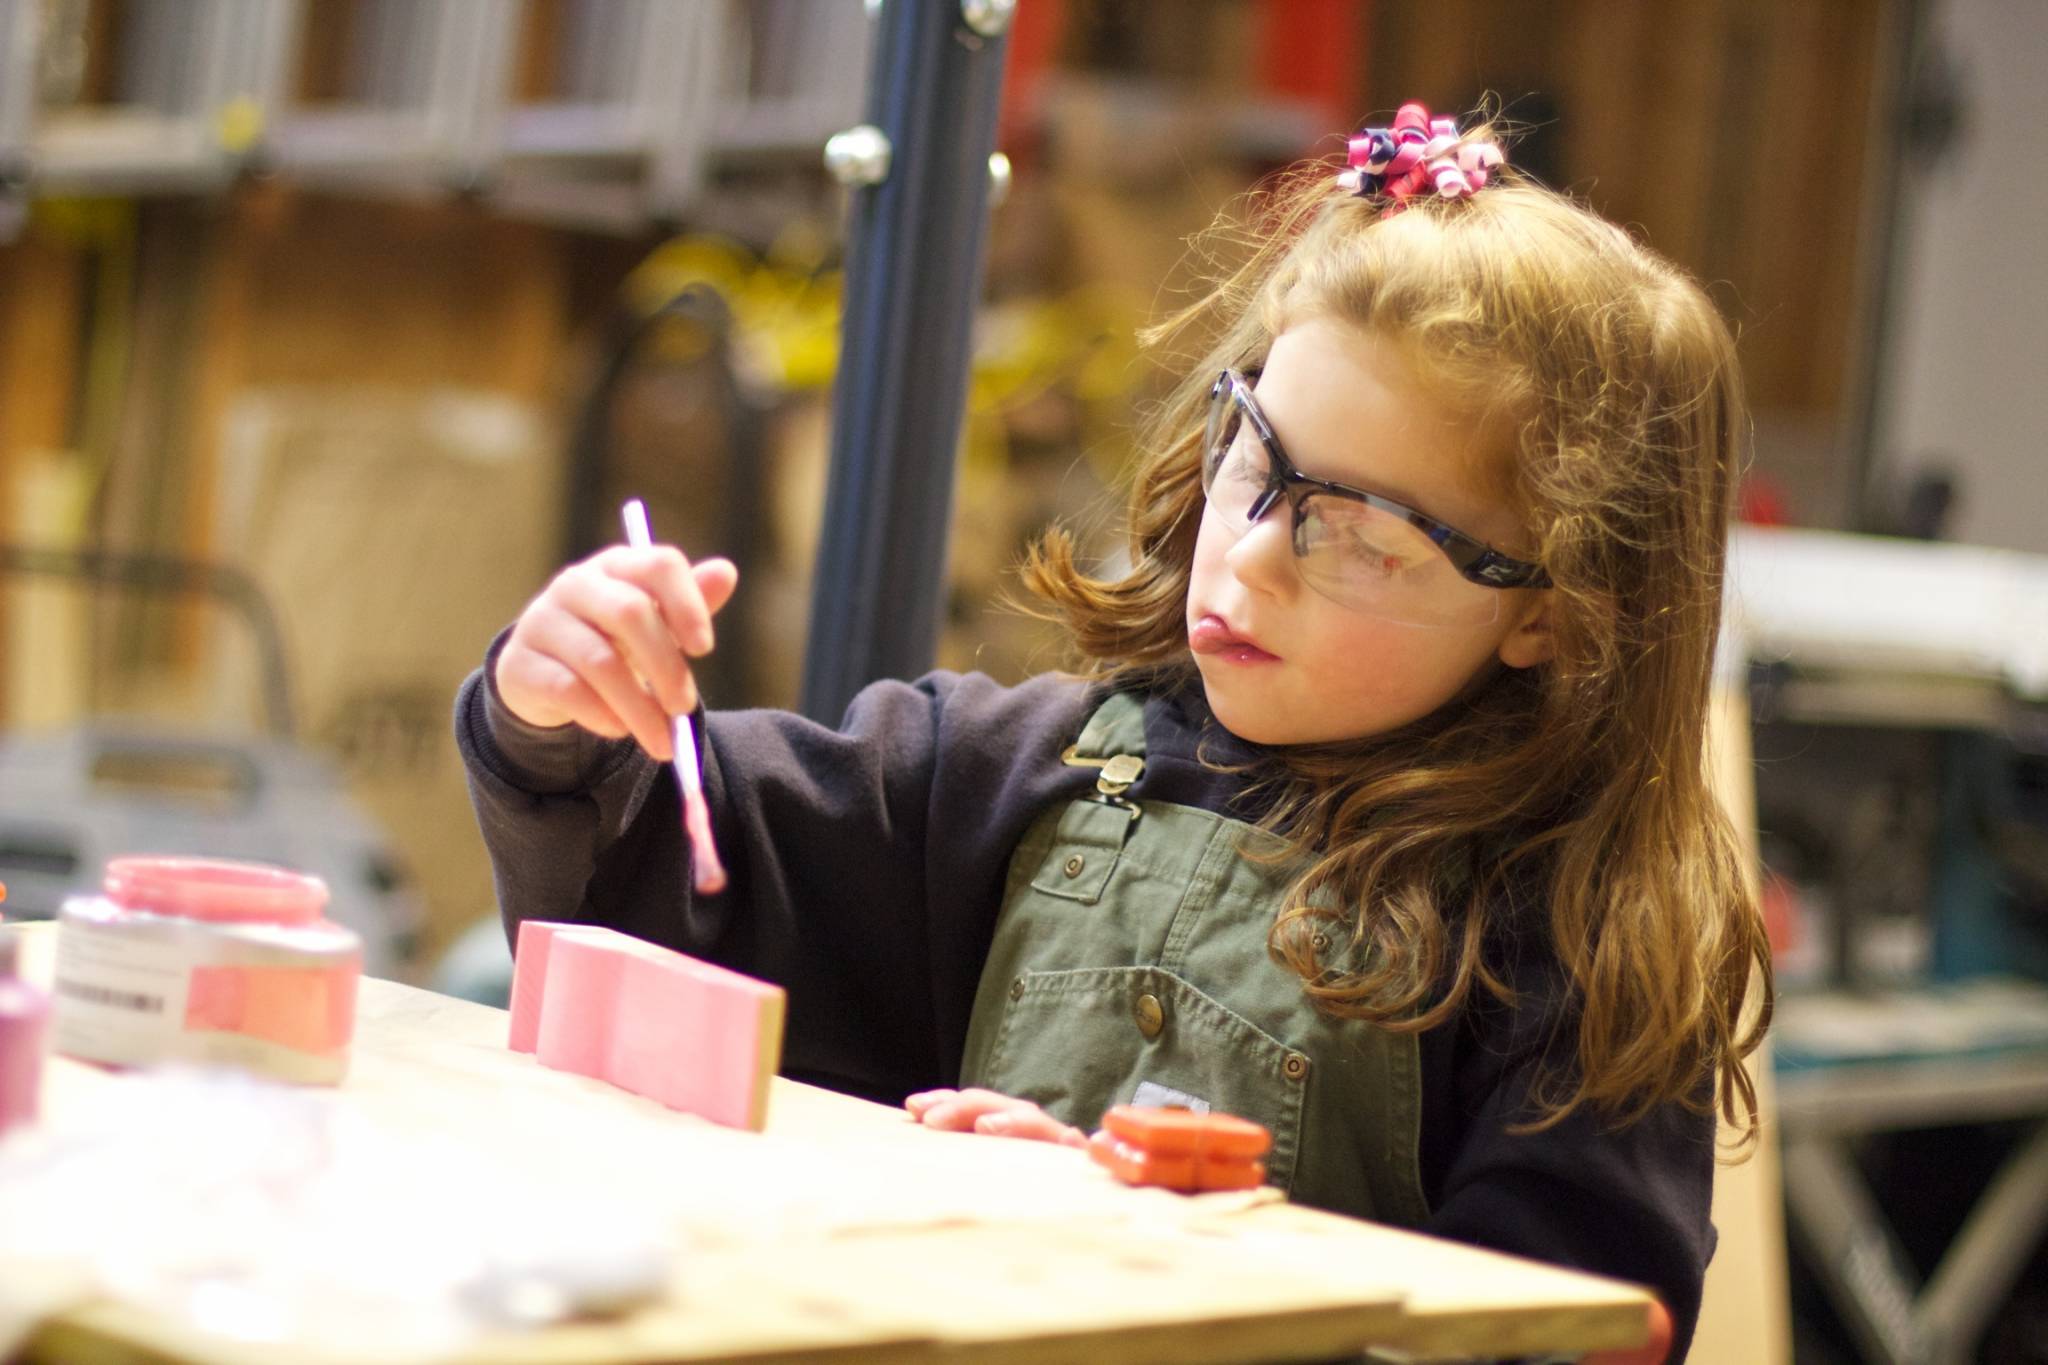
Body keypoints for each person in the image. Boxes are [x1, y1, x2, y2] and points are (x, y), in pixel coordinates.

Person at [457, 103, 1771, 1359]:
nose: (1250, 562)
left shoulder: (1576, 937)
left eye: (1358, 536)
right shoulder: (1006, 775)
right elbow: (659, 871)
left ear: (1552, 612)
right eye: (1254, 461)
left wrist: (1153, 1250)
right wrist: (565, 705)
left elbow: (1551, 1334)